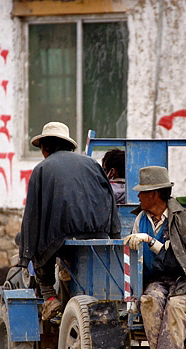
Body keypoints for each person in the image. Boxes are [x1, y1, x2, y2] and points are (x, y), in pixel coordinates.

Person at [18, 122, 120, 320]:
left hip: (61, 239)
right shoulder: (92, 164)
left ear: (45, 148)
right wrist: (115, 237)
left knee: (41, 252)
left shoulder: (41, 169)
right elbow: (110, 200)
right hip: (97, 235)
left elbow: (31, 216)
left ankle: (49, 297)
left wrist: (26, 256)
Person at [123, 166, 186, 349]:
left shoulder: (180, 217)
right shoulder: (140, 219)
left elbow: (179, 256)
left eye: (142, 192)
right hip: (155, 280)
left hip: (180, 279)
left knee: (175, 308)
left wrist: (148, 240)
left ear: (154, 194)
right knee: (149, 302)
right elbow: (135, 259)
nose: (138, 197)